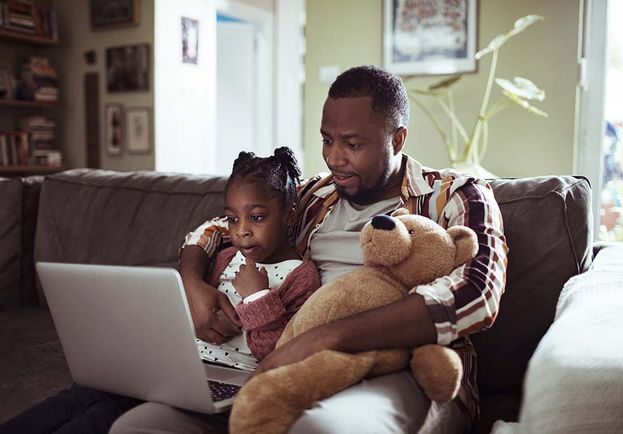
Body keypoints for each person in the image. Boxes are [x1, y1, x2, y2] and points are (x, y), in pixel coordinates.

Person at [111, 65, 508, 434]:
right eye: (327, 140)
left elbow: (479, 293)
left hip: (403, 366)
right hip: (284, 358)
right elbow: (216, 228)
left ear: (398, 139)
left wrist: (326, 337)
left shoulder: (455, 195)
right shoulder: (316, 194)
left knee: (320, 430)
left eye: (352, 144)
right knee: (139, 425)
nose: (334, 158)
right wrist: (192, 282)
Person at [0, 147, 320, 434]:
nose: (241, 231)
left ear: (289, 212)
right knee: (83, 394)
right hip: (182, 366)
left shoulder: (302, 277)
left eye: (257, 217)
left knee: (102, 415)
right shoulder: (224, 257)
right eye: (233, 219)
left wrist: (257, 298)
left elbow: (279, 355)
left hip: (234, 378)